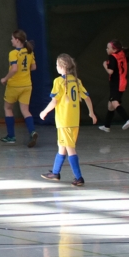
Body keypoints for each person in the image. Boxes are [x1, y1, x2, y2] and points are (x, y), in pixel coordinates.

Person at [39, 54, 97, 186]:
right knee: (62, 146)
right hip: (74, 121)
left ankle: (79, 177)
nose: (56, 67)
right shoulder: (76, 81)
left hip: (64, 121)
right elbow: (87, 98)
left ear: (61, 67)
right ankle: (55, 172)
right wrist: (91, 112)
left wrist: (44, 111)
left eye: (56, 65)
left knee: (70, 149)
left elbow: (54, 101)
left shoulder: (59, 81)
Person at [0, 30, 38, 147]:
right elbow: (33, 67)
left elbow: (14, 69)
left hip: (14, 85)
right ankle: (32, 131)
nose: (11, 40)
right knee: (25, 110)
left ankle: (11, 136)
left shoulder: (13, 53)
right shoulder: (29, 52)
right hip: (27, 85)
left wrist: (5, 78)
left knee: (8, 108)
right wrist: (24, 70)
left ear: (17, 40)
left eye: (12, 38)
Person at [100, 39, 129, 132]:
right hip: (122, 82)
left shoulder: (112, 57)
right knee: (110, 105)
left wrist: (105, 65)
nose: (106, 49)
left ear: (114, 50)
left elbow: (110, 71)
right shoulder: (122, 55)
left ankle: (128, 119)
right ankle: (107, 126)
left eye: (108, 48)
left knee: (114, 102)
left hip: (116, 83)